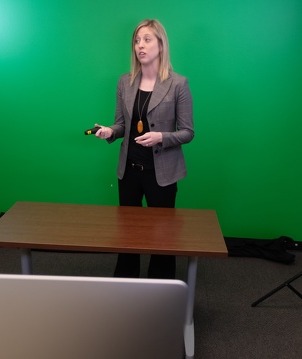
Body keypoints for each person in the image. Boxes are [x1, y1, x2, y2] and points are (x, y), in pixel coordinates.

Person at [94, 19, 194, 279]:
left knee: (162, 236)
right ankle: (126, 286)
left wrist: (161, 136)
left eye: (147, 39)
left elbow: (188, 132)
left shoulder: (178, 84)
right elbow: (120, 125)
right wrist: (109, 132)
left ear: (161, 45)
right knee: (127, 233)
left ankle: (160, 288)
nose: (140, 45)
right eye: (137, 40)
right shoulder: (124, 82)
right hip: (129, 171)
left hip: (161, 173)